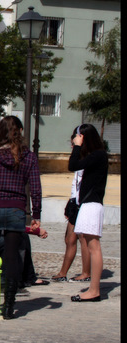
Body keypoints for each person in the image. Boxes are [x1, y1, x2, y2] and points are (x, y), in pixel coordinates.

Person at [0, 116, 41, 320]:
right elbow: (35, 188)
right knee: (12, 257)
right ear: (19, 131)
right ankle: (9, 306)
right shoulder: (28, 156)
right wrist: (36, 214)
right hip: (16, 209)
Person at [68, 123, 108, 303]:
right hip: (88, 204)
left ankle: (94, 290)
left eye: (79, 137)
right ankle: (94, 289)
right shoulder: (96, 155)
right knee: (92, 246)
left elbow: (73, 165)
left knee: (94, 247)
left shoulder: (98, 155)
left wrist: (76, 147)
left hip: (92, 204)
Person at [51, 130, 89, 283]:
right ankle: (63, 272)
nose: (73, 144)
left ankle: (86, 273)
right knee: (69, 238)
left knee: (83, 239)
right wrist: (71, 201)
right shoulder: (78, 157)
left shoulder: (88, 158)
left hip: (84, 202)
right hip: (75, 201)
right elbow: (75, 183)